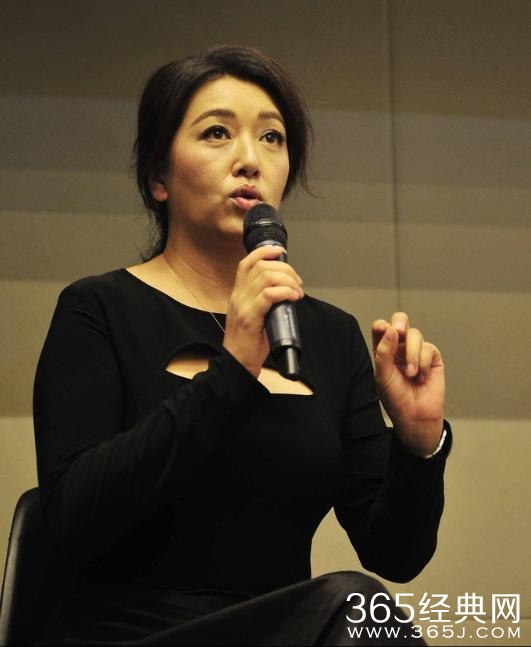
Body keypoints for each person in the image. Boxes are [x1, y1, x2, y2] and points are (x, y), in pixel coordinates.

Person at [33, 45, 451, 645]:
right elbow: (72, 518)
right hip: (129, 632)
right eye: (217, 133)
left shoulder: (330, 336)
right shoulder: (97, 309)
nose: (250, 160)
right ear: (157, 178)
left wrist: (417, 444)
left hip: (288, 626)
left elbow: (396, 554)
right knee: (352, 605)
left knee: (363, 611)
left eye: (272, 138)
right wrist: (231, 371)